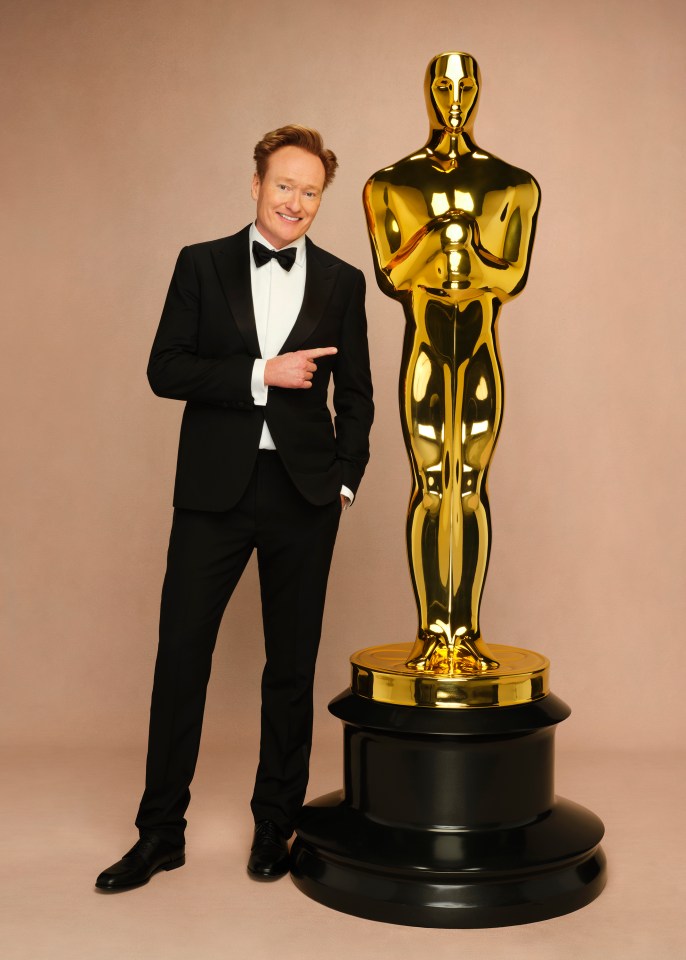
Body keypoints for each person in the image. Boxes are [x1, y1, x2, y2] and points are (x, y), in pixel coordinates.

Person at [96, 124, 374, 890]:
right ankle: (159, 836)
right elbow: (165, 368)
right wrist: (261, 373)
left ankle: (274, 829)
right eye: (284, 185)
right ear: (255, 184)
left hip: (303, 497)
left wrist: (344, 480)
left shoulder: (344, 282)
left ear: (322, 200)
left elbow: (357, 398)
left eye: (311, 191)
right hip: (212, 493)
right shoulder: (201, 264)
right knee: (181, 658)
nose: (296, 202)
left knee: (289, 669)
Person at [363, 52, 539, 676]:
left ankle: (466, 631)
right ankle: (433, 631)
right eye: (443, 82)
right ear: (427, 90)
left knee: (471, 487)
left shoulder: (513, 184)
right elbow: (392, 275)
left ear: (481, 91)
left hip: (481, 350)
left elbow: (512, 276)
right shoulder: (391, 184)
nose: (454, 94)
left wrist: (468, 248)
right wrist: (443, 238)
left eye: (466, 84)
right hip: (428, 350)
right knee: (431, 485)